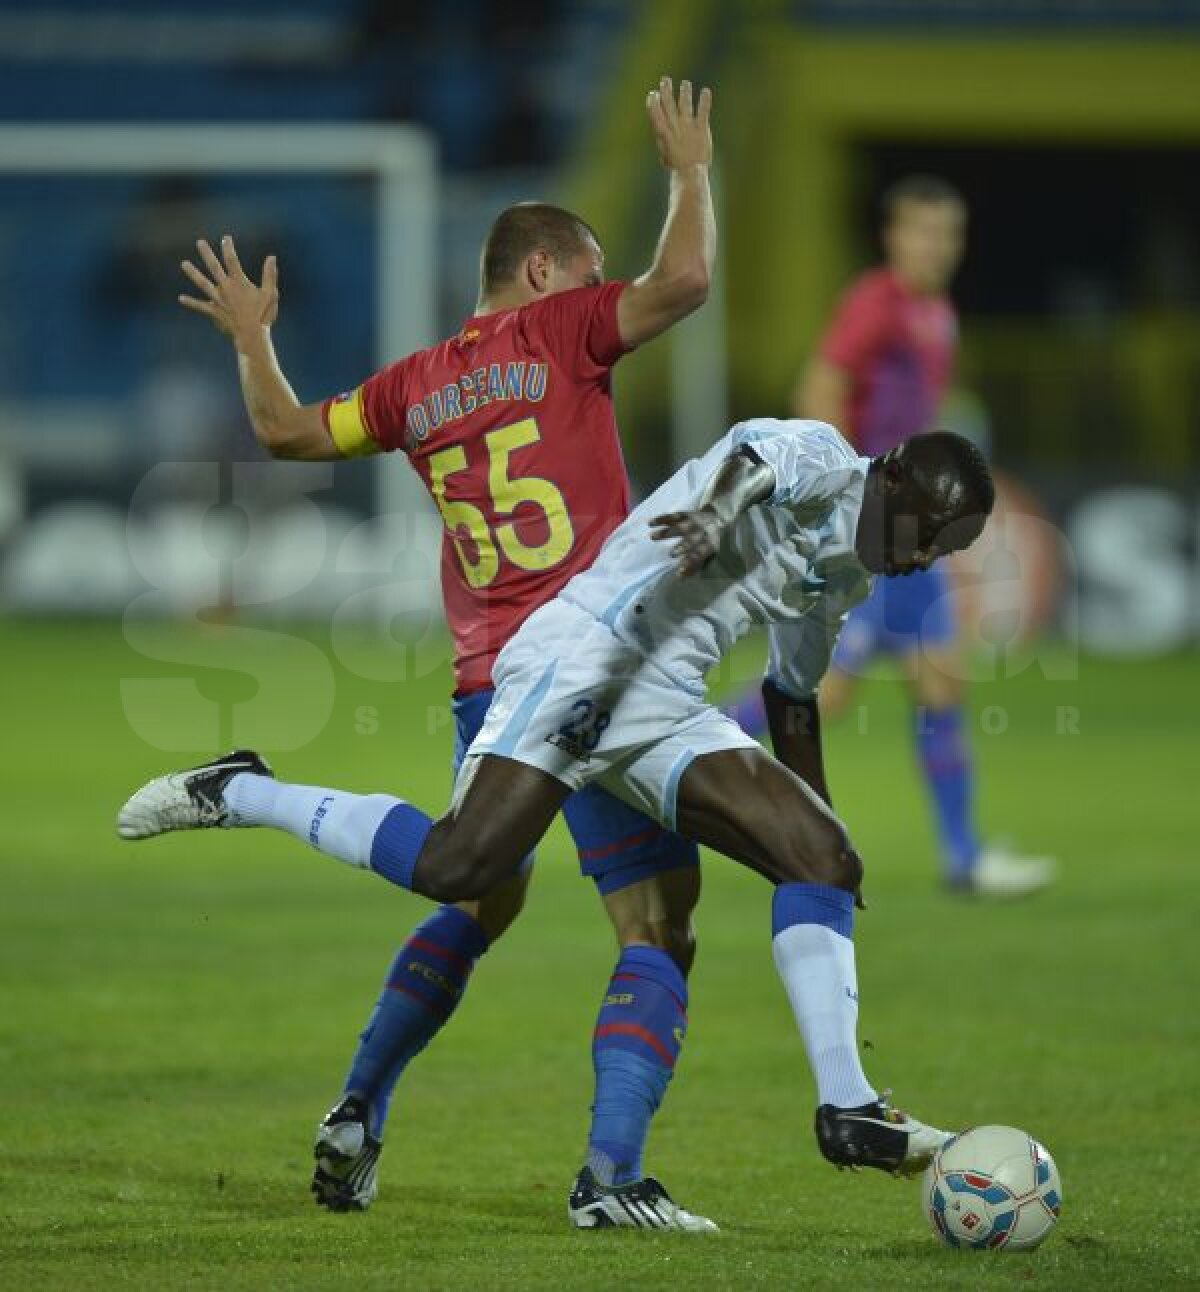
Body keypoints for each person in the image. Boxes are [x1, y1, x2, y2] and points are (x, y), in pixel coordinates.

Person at [120, 417, 996, 1191]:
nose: (922, 557)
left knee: (826, 859)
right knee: (459, 866)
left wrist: (818, 828)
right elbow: (754, 458)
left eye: (940, 550)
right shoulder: (828, 459)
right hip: (587, 656)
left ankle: (848, 1106)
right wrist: (715, 515)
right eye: (924, 532)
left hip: (666, 700)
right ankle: (241, 788)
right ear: (890, 479)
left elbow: (792, 700)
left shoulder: (845, 577)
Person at [163, 77, 719, 1229]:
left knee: (474, 900)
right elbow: (686, 284)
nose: (596, 285)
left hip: (489, 684)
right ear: (543, 272)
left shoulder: (415, 385)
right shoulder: (563, 329)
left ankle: (359, 1105)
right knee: (657, 924)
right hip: (598, 669)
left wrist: (255, 342)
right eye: (587, 267)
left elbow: (286, 431)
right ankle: (610, 1176)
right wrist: (690, 172)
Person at [726, 174, 1054, 898]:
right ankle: (677, 744)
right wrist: (847, 492)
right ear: (894, 236)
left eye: (950, 233)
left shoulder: (936, 314)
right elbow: (817, 391)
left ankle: (964, 857)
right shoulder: (874, 305)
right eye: (925, 231)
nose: (939, 246)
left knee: (940, 682)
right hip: (865, 530)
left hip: (909, 535)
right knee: (824, 694)